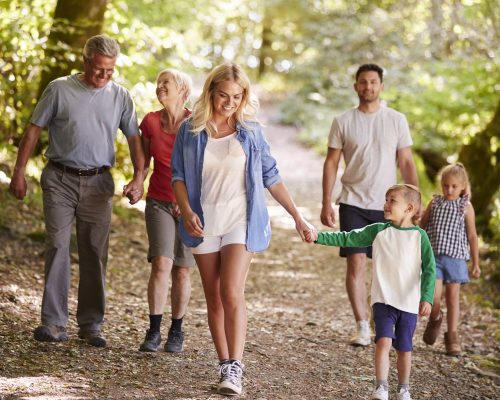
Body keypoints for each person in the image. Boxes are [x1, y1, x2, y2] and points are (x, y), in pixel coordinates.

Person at [171, 62, 315, 396]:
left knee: (231, 291)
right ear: (211, 92)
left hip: (241, 219)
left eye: (237, 96)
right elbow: (177, 175)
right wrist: (188, 210)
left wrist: (297, 216)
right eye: (223, 95)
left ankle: (236, 366)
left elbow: (271, 176)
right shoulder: (190, 129)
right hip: (203, 222)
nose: (230, 103)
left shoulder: (250, 131)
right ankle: (224, 364)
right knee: (214, 297)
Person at [9, 34, 145, 348]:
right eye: (99, 70)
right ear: (85, 62)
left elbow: (134, 139)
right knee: (57, 245)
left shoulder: (121, 97)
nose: (104, 76)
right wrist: (18, 173)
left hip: (99, 183)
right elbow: (33, 129)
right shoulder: (59, 89)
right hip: (60, 178)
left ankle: (91, 324)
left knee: (95, 253)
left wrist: (139, 178)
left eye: (110, 71)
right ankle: (54, 323)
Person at [321, 63, 419, 346]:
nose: (368, 87)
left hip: (390, 205)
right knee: (356, 263)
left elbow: (407, 162)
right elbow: (331, 163)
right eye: (363, 82)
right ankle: (362, 325)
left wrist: (415, 202)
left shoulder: (396, 120)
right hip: (352, 201)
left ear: (381, 86)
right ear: (356, 87)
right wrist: (326, 201)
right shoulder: (342, 121)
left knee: (388, 267)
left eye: (373, 82)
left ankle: (382, 316)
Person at [307, 184, 435, 400]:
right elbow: (348, 238)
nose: (385, 204)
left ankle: (404, 388)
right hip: (383, 300)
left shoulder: (419, 237)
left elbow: (430, 269)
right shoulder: (378, 231)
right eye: (385, 199)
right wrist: (318, 237)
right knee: (383, 340)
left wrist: (427, 297)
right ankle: (381, 386)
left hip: (409, 302)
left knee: (404, 347)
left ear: (409, 208)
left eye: (392, 200)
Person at [138, 68, 195, 353]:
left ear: (183, 89)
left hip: (189, 208)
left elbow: (201, 170)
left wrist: (186, 203)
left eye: (166, 83)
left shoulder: (197, 123)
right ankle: (153, 329)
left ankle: (176, 329)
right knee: (162, 263)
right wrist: (137, 182)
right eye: (158, 82)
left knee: (182, 271)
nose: (160, 87)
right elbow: (143, 162)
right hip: (158, 200)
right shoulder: (149, 121)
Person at [420, 163, 480, 356]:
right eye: (445, 185)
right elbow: (422, 224)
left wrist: (476, 263)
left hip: (456, 260)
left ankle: (452, 337)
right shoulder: (435, 202)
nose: (449, 190)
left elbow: (472, 236)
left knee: (452, 299)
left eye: (454, 186)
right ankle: (436, 317)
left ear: (462, 186)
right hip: (434, 258)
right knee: (434, 298)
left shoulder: (466, 206)